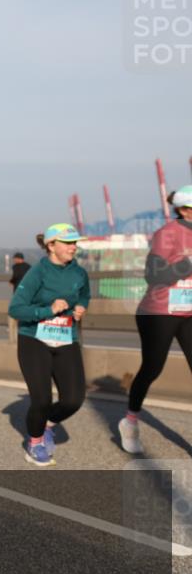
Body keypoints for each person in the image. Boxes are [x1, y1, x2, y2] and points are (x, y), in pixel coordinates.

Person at [8, 224, 90, 467]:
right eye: (68, 243)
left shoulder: (79, 273)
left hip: (66, 338)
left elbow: (85, 295)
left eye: (75, 242)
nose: (74, 247)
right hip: (34, 339)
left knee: (74, 399)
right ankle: (35, 443)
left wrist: (81, 308)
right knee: (42, 400)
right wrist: (48, 310)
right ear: (51, 246)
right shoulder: (37, 272)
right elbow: (16, 308)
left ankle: (45, 425)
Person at [122, 187, 192, 453]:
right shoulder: (168, 234)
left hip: (188, 313)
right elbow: (153, 275)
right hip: (159, 311)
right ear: (185, 210)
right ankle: (130, 421)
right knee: (152, 368)